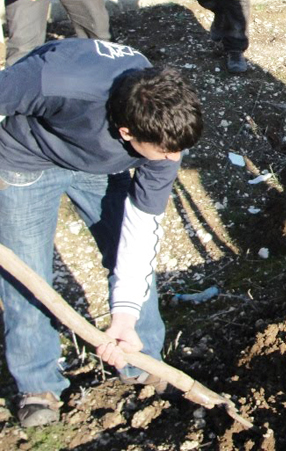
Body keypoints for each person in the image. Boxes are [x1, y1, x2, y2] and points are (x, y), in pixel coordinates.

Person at [0, 38, 204, 427]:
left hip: (100, 168)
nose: (173, 161)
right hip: (26, 159)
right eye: (163, 153)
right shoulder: (53, 81)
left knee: (126, 255)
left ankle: (140, 358)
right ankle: (37, 382)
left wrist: (122, 313)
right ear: (127, 132)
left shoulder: (166, 132)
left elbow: (142, 229)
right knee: (26, 272)